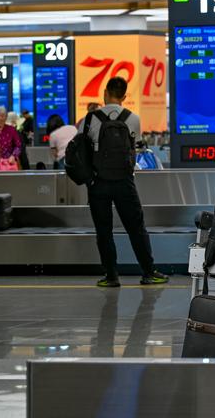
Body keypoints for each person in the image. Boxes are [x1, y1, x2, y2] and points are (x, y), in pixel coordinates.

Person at [81, 76, 168, 288]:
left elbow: (82, 148)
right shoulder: (133, 118)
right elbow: (136, 149)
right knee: (136, 228)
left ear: (105, 93)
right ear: (124, 96)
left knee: (104, 230)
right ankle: (148, 272)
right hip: (125, 182)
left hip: (98, 182)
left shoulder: (91, 118)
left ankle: (111, 276)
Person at [0, 106, 22, 170]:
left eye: (2, 116)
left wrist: (13, 156)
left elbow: (18, 146)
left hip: (8, 165)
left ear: (6, 117)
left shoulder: (11, 130)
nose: (0, 118)